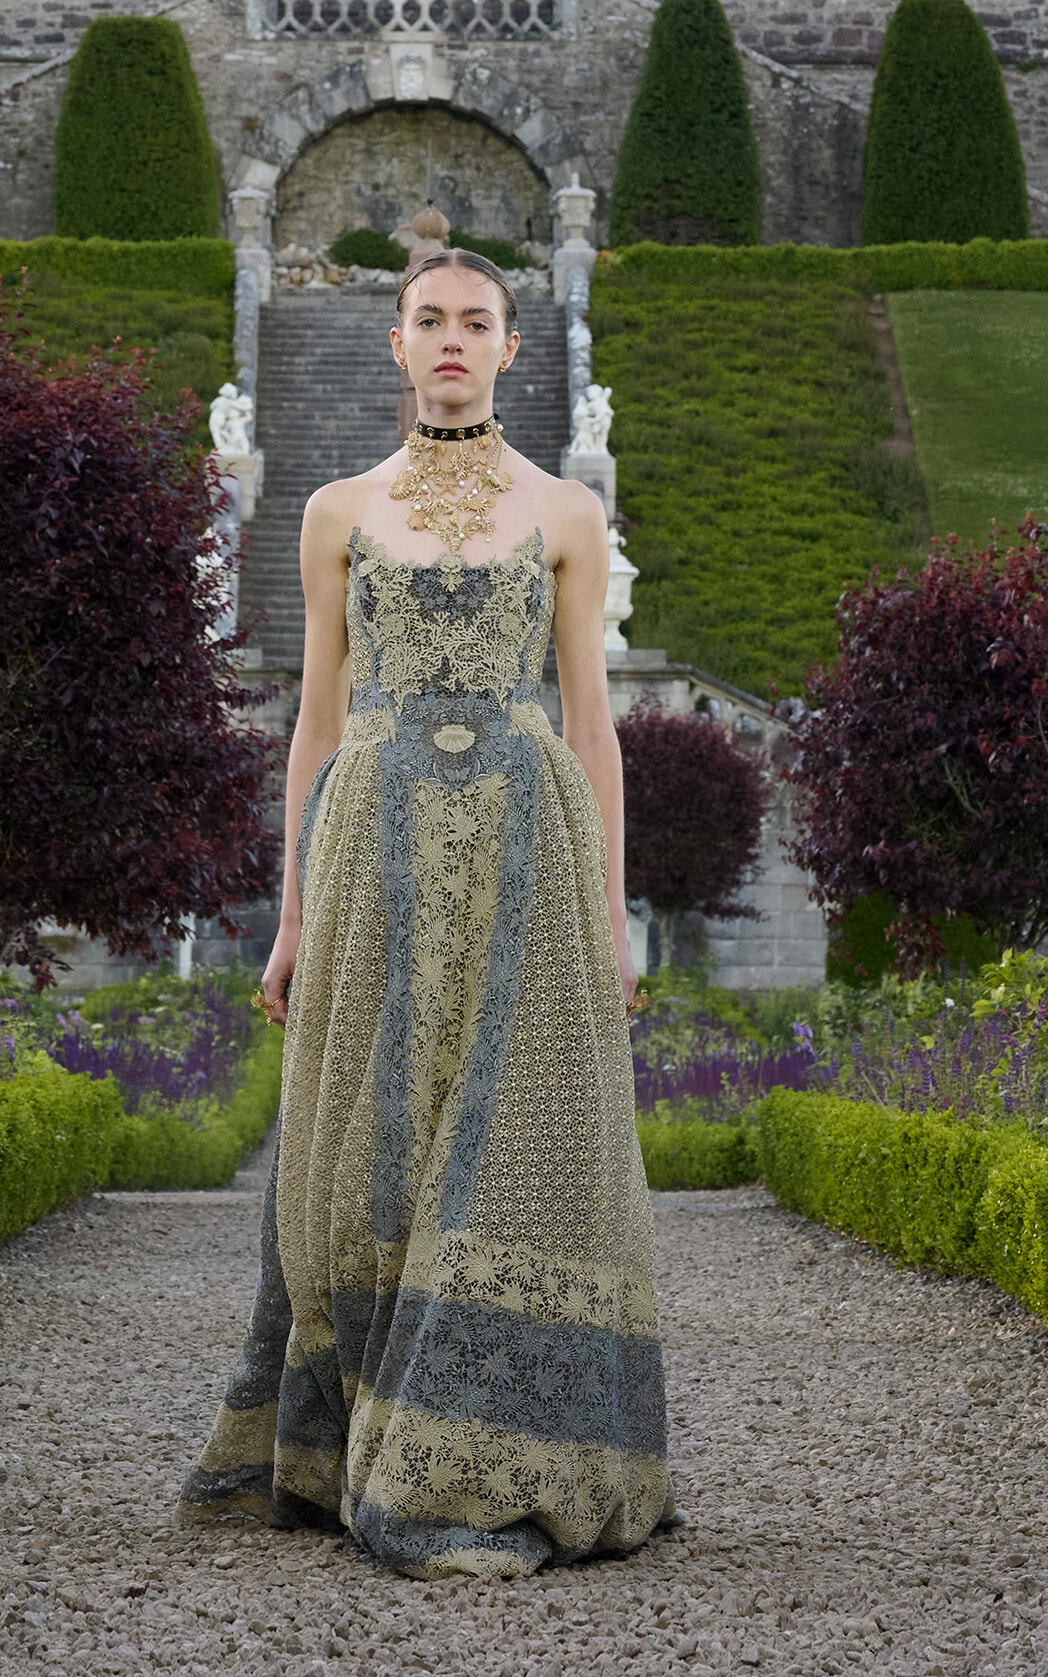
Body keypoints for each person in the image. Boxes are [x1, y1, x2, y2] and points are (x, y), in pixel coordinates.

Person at [176, 247, 679, 1577]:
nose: (452, 340)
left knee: (515, 1145)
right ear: (395, 344)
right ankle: (361, 1440)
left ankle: (491, 1452)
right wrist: (291, 913)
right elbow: (315, 725)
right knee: (371, 1144)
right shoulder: (335, 511)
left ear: (512, 347)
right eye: (430, 320)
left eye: (476, 321)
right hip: (373, 847)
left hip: (530, 846)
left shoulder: (565, 511)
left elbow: (592, 726)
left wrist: (612, 909)